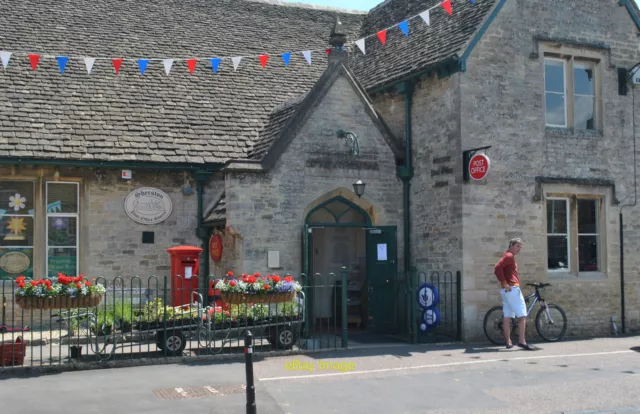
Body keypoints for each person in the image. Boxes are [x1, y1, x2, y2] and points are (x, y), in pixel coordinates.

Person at [494, 238, 534, 350]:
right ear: (511, 244)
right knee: (522, 315)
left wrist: (504, 284)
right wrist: (504, 282)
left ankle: (508, 342)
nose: (519, 249)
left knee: (507, 317)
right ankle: (522, 341)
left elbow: (500, 269)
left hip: (506, 290)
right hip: (512, 289)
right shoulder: (509, 256)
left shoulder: (507, 256)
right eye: (517, 246)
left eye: (520, 247)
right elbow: (497, 268)